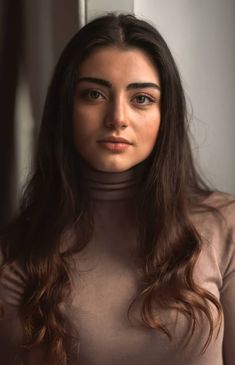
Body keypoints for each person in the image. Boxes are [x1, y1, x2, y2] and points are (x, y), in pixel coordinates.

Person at [0, 12, 234, 365]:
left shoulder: (225, 227)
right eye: (94, 94)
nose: (118, 118)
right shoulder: (19, 253)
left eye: (141, 99)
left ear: (165, 114)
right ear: (66, 107)